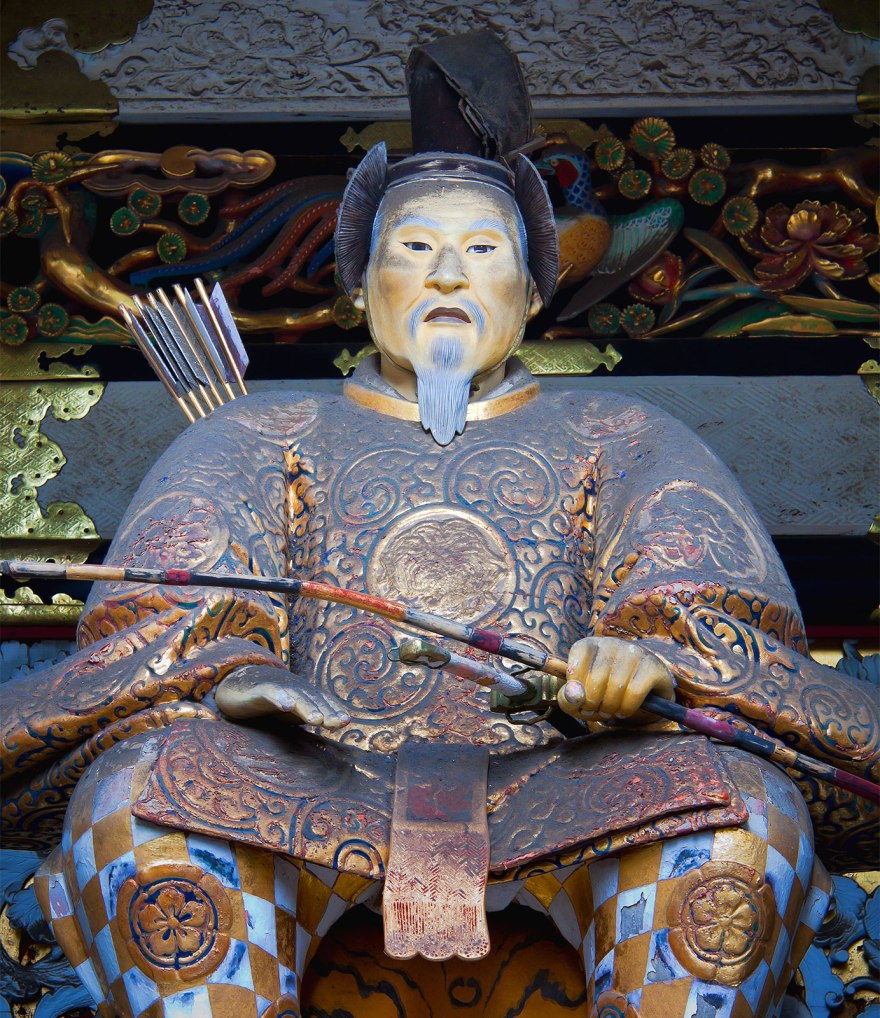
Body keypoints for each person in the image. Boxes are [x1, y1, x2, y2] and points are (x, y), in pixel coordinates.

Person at [2, 31, 876, 1018]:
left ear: (532, 291)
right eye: (414, 249)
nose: (448, 275)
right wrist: (241, 682)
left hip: (567, 784)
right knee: (141, 792)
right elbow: (171, 623)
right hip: (308, 789)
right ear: (361, 281)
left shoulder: (622, 433)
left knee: (738, 811)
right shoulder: (257, 432)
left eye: (483, 251)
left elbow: (697, 611)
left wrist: (642, 663)